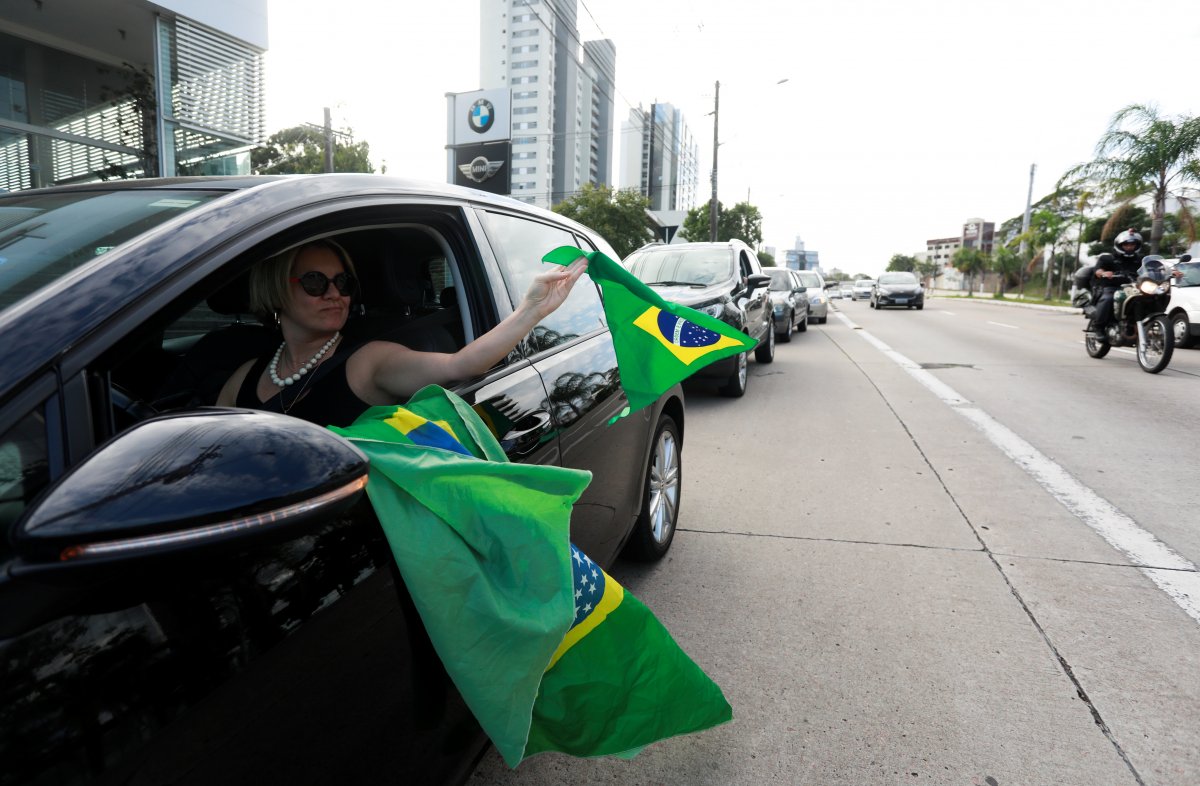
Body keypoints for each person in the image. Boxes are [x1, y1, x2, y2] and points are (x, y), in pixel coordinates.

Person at [216, 238, 588, 427]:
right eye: (315, 282)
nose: (334, 293)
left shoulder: (369, 361)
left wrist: (531, 311)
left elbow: (461, 365)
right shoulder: (245, 375)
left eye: (343, 282)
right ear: (276, 289)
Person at [1087, 228, 1143, 335]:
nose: (1129, 247)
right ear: (1120, 245)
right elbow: (1098, 270)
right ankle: (1098, 327)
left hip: (1133, 288)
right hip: (1112, 288)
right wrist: (1104, 273)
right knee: (1108, 299)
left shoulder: (1139, 260)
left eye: (1132, 244)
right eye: (1126, 245)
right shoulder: (1107, 258)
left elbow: (1152, 267)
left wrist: (1169, 271)